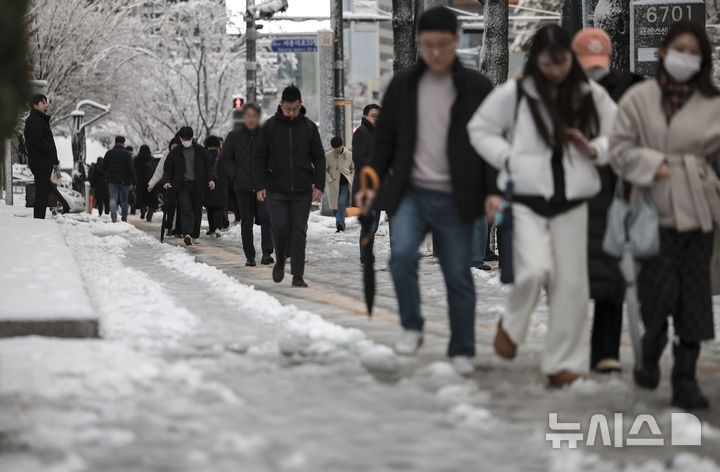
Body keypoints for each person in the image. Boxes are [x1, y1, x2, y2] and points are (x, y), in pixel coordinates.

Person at [467, 24, 617, 385]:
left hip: (573, 200)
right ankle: (512, 325)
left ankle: (562, 363)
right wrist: (508, 157)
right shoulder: (515, 93)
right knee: (533, 270)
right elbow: (480, 129)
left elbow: (620, 134)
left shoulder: (590, 94)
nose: (555, 70)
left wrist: (593, 148)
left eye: (562, 62)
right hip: (527, 200)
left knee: (571, 286)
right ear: (536, 61)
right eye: (548, 63)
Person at [357, 7, 496, 375]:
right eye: (429, 45)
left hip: (456, 195)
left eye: (444, 45)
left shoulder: (477, 87)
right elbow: (384, 141)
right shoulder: (403, 86)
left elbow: (490, 144)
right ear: (420, 43)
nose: (435, 52)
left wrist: (493, 191)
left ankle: (462, 347)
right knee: (401, 257)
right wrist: (370, 181)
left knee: (458, 271)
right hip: (411, 194)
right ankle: (412, 324)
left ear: (456, 42)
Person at [609, 21, 720, 409]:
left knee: (694, 297)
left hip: (699, 209)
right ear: (663, 52)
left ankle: (685, 376)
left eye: (694, 51)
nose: (685, 58)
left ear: (702, 58)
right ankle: (651, 347)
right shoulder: (639, 98)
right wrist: (650, 164)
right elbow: (617, 149)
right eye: (679, 49)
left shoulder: (714, 103)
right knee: (657, 294)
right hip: (651, 212)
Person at [572, 27, 643, 373]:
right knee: (612, 274)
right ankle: (606, 351)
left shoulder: (560, 90)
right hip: (618, 191)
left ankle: (573, 350)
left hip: (578, 192)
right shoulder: (632, 88)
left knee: (575, 276)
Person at [254, 85, 325, 287]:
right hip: (276, 189)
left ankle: (298, 275)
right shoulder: (270, 127)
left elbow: (319, 157)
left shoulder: (309, 127)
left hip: (302, 190)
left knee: (299, 231)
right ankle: (279, 261)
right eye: (287, 108)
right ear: (281, 105)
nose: (291, 112)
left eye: (294, 108)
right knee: (280, 228)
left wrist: (319, 184)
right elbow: (259, 158)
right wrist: (260, 184)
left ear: (300, 105)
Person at [223, 103, 274, 266]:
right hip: (242, 186)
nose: (251, 119)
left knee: (266, 218)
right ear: (244, 117)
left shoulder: (266, 135)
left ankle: (267, 252)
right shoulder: (234, 135)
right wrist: (235, 175)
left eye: (254, 116)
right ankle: (249, 256)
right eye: (248, 115)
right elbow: (226, 158)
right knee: (247, 221)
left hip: (262, 185)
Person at [163, 127, 217, 246]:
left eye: (188, 138)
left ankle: (195, 234)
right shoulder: (175, 152)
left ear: (192, 138)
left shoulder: (201, 151)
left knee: (197, 210)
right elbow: (168, 168)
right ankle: (187, 233)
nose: (186, 140)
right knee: (186, 208)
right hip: (182, 185)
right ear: (180, 138)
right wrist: (166, 181)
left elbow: (209, 166)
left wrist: (211, 179)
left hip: (198, 184)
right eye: (184, 138)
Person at [352, 103, 381, 264]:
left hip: (377, 186)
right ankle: (366, 256)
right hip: (365, 186)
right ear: (365, 116)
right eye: (373, 115)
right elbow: (358, 158)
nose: (376, 119)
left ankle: (367, 254)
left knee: (374, 225)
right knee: (369, 225)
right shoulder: (362, 132)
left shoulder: (377, 133)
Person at [23, 94, 59, 219]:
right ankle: (39, 219)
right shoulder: (34, 120)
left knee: (44, 191)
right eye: (43, 102)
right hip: (40, 162)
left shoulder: (39, 119)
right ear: (35, 105)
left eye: (46, 102)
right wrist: (50, 149)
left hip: (43, 161)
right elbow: (37, 140)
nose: (46, 104)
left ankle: (40, 217)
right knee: (42, 193)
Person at [149, 137, 180, 234]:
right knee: (171, 206)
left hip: (181, 184)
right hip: (169, 184)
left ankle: (177, 228)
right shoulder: (167, 155)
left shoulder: (183, 155)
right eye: (173, 147)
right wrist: (151, 184)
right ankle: (170, 226)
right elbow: (159, 170)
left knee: (180, 206)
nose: (174, 149)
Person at [102, 136, 136, 223]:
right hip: (125, 181)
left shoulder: (109, 153)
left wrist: (108, 174)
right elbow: (131, 169)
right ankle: (124, 218)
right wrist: (134, 181)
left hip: (112, 180)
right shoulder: (127, 155)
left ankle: (114, 217)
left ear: (115, 142)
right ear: (123, 143)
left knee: (113, 199)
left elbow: (103, 166)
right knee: (124, 200)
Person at [325, 136, 354, 233]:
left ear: (341, 145)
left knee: (342, 203)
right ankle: (339, 221)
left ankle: (340, 225)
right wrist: (329, 180)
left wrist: (351, 176)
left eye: (338, 147)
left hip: (345, 184)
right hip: (333, 185)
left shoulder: (349, 154)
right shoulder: (328, 156)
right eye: (334, 148)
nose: (336, 150)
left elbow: (353, 168)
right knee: (334, 206)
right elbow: (323, 170)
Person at [204, 135, 228, 237]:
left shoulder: (204, 155)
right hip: (221, 185)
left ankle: (212, 228)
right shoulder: (223, 155)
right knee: (219, 208)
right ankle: (218, 227)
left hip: (209, 184)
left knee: (210, 208)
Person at [133, 144, 154, 220]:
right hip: (150, 182)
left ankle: (143, 210)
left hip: (140, 183)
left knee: (142, 199)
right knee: (150, 199)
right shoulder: (152, 159)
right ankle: (149, 214)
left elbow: (134, 172)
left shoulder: (136, 160)